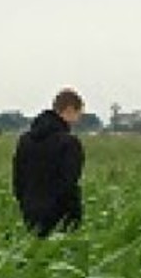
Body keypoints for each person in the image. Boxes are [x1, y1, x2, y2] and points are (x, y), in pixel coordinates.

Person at [14, 88, 87, 236]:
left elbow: (18, 179)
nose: (79, 119)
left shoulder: (25, 140)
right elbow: (69, 182)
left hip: (30, 212)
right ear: (70, 110)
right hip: (62, 216)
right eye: (79, 113)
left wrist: (25, 203)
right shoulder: (69, 143)